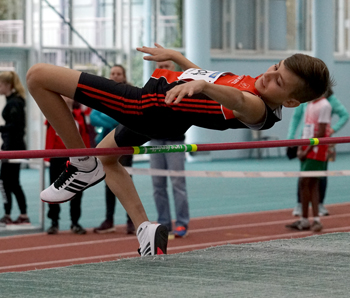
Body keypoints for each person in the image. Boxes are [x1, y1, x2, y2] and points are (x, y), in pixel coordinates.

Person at [26, 43, 332, 256]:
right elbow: (209, 78)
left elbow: (235, 100)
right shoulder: (257, 85)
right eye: (275, 67)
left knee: (38, 76)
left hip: (144, 105)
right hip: (164, 115)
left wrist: (203, 88)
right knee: (108, 159)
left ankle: (80, 161)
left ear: (291, 102)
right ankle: (145, 228)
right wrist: (179, 59)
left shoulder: (258, 107)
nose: (268, 76)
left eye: (278, 81)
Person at [287, 88, 349, 217]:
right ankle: (301, 204)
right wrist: (291, 138)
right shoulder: (306, 100)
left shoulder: (329, 101)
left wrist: (332, 130)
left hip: (321, 144)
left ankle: (319, 205)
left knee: (320, 175)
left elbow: (344, 115)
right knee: (304, 177)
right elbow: (297, 117)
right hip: (305, 141)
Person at [91, 63, 135, 235]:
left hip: (125, 146)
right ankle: (109, 220)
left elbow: (129, 117)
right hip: (105, 145)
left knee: (126, 183)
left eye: (118, 73)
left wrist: (111, 118)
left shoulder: (130, 93)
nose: (115, 76)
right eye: (112, 73)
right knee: (108, 182)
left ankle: (131, 221)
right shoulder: (103, 93)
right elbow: (93, 117)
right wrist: (113, 121)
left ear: (123, 76)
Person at [149, 60, 190, 238]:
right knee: (157, 185)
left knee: (177, 184)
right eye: (161, 65)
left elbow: (189, 113)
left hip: (174, 141)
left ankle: (182, 222)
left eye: (167, 65)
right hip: (155, 141)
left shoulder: (182, 86)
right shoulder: (150, 87)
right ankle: (163, 222)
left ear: (174, 67)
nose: (164, 68)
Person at [286, 96, 332, 232]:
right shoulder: (309, 104)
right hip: (306, 148)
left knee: (311, 183)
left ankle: (315, 219)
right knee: (305, 183)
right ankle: (305, 219)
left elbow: (322, 132)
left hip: (317, 150)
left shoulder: (325, 105)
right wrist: (301, 148)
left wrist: (307, 150)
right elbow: (306, 128)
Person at [46, 96, 89, 234]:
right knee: (54, 189)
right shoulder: (52, 114)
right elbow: (50, 134)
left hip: (75, 158)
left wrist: (87, 157)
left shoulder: (80, 115)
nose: (64, 97)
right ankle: (54, 222)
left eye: (66, 94)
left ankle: (75, 222)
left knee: (76, 190)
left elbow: (85, 136)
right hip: (57, 157)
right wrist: (48, 156)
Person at [0, 71, 30, 225]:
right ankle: (11, 214)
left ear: (8, 85)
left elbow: (17, 127)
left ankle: (19, 214)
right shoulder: (13, 101)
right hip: (11, 147)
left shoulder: (15, 103)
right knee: (7, 182)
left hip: (14, 148)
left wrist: (1, 128)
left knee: (10, 182)